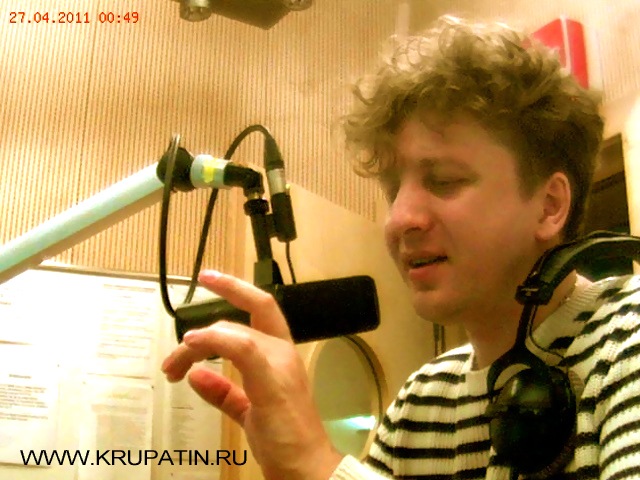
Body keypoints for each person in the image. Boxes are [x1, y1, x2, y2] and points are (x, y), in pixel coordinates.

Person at [161, 15, 640, 480]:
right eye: (393, 191)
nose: (398, 220)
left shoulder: (628, 339)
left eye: (444, 180)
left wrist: (316, 465)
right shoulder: (419, 404)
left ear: (549, 205)